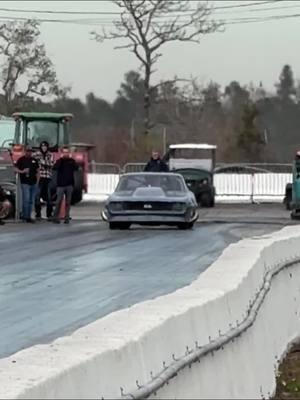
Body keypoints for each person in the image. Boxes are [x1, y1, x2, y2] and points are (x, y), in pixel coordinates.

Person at [52, 147, 79, 224]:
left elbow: (76, 168)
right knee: (58, 201)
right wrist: (61, 160)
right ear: (62, 153)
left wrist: (73, 161)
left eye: (67, 152)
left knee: (68, 202)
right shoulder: (59, 161)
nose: (66, 154)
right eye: (64, 152)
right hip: (60, 185)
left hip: (69, 185)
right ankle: (55, 216)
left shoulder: (71, 161)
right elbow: (55, 168)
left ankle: (67, 217)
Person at [15, 146, 40, 223]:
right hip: (25, 182)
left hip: (33, 183)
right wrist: (22, 171)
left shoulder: (34, 160)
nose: (29, 152)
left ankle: (30, 216)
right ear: (25, 151)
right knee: (26, 199)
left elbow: (38, 171)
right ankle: (25, 216)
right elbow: (15, 168)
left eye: (30, 151)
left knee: (32, 200)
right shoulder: (21, 160)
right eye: (28, 151)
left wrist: (38, 181)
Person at [34, 141, 54, 220]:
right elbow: (33, 162)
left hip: (48, 177)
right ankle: (38, 214)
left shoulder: (50, 154)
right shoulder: (36, 154)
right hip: (40, 177)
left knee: (49, 197)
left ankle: (49, 214)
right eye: (42, 146)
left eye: (45, 146)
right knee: (37, 196)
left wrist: (41, 162)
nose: (44, 148)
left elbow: (51, 164)